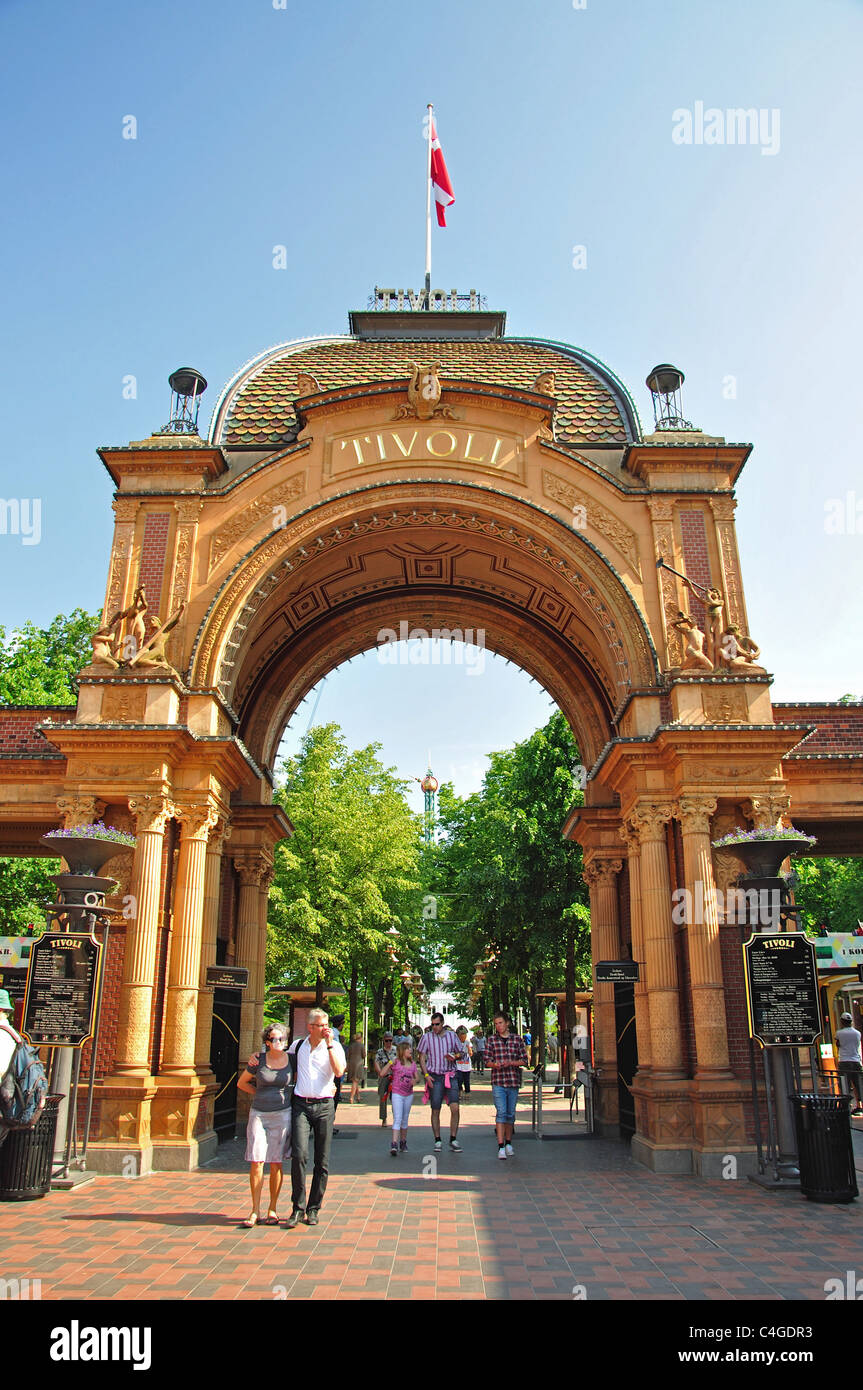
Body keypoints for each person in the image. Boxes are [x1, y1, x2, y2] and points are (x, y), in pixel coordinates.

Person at [286, 1008, 346, 1227]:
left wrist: (329, 1044)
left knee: (322, 1160)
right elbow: (282, 1063)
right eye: (321, 1025)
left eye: (326, 1024)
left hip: (324, 1106)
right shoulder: (298, 1046)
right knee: (299, 1155)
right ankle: (297, 1207)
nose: (325, 1028)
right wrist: (258, 1057)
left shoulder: (335, 1046)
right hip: (301, 1104)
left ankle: (314, 1208)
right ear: (310, 1027)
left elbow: (339, 1072)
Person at [236, 1023, 293, 1228]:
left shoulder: (291, 1059)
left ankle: (273, 1209)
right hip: (259, 1114)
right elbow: (242, 1083)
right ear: (267, 1042)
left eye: (283, 1039)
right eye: (276, 1039)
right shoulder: (258, 1061)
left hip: (282, 1114)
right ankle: (254, 1210)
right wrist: (258, 1095)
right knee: (257, 1160)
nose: (281, 1042)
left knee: (276, 1161)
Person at [416, 1012, 468, 1152]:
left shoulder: (452, 1036)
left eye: (437, 1024)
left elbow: (462, 1053)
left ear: (442, 1023)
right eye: (432, 1024)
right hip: (435, 1076)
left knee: (455, 1107)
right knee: (435, 1108)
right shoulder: (427, 1038)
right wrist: (426, 1075)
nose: (434, 1027)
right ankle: (437, 1139)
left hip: (450, 1075)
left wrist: (454, 1056)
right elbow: (421, 1056)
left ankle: (453, 1138)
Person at [485, 1012, 529, 1160]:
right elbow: (487, 1060)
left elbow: (524, 1060)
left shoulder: (517, 1039)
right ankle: (500, 1146)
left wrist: (511, 1063)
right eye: (496, 1024)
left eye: (500, 1023)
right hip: (498, 1081)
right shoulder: (491, 1040)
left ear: (507, 1023)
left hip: (512, 1080)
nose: (498, 1026)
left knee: (511, 1114)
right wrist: (495, 1064)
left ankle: (509, 1142)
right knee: (501, 1112)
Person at [378, 1040, 419, 1155]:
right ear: (402, 1051)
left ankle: (403, 1141)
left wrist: (414, 1081)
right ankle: (394, 1143)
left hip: (408, 1094)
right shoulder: (395, 1062)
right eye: (408, 1049)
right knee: (397, 1118)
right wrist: (390, 1062)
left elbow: (418, 1078)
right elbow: (382, 1073)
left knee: (405, 1119)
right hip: (397, 1093)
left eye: (410, 1049)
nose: (410, 1050)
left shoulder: (413, 1064)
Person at [835, 1012, 863, 1114]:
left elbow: (838, 1044)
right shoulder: (857, 1033)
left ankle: (846, 1106)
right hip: (856, 1061)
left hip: (844, 1061)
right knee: (858, 1084)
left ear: (842, 1021)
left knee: (844, 1084)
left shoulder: (839, 1033)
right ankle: (859, 1106)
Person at [374, 1032, 396, 1126]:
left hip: (394, 1077)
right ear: (383, 1041)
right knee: (383, 1098)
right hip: (384, 1077)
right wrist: (380, 1073)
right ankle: (384, 1119)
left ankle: (396, 1118)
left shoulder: (396, 1050)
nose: (388, 1042)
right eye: (386, 1040)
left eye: (390, 1040)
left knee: (395, 1098)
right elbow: (376, 1062)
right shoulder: (380, 1051)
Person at [346, 1032, 366, 1103]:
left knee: (355, 1080)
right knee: (355, 1081)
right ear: (360, 1038)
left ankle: (358, 1096)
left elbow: (347, 1055)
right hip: (358, 1063)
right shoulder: (361, 1045)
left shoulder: (351, 1045)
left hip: (351, 1063)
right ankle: (351, 1097)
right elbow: (364, 1055)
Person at [455, 1025, 472, 1100]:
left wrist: (469, 1049)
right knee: (459, 1080)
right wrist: (456, 1055)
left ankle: (467, 1092)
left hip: (467, 1066)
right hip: (458, 1065)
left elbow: (471, 1053)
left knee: (466, 1081)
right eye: (462, 1034)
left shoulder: (468, 1042)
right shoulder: (455, 1043)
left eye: (464, 1034)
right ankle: (459, 1091)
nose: (463, 1036)